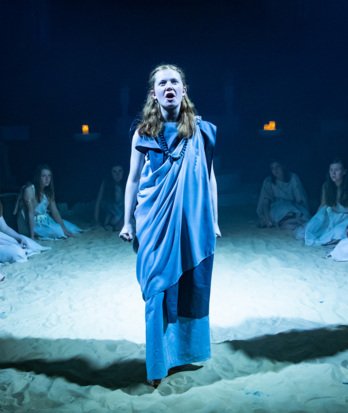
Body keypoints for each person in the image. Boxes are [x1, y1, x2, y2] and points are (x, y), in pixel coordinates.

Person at [119, 64, 220, 387]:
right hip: (153, 222)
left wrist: (213, 220)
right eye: (162, 83)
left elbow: (209, 176)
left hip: (191, 221)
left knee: (190, 284)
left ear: (184, 89)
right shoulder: (143, 132)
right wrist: (127, 222)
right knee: (156, 289)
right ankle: (157, 363)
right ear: (154, 93)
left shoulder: (201, 132)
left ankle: (182, 354)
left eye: (174, 81)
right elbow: (133, 179)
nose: (169, 86)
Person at [15, 164, 82, 240]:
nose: (47, 179)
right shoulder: (30, 190)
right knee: (58, 231)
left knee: (70, 228)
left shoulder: (48, 192)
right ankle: (38, 233)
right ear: (38, 177)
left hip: (45, 219)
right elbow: (30, 214)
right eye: (43, 176)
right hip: (33, 223)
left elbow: (55, 212)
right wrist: (32, 236)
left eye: (49, 176)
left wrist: (64, 228)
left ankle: (62, 229)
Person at [304, 159, 348, 246]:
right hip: (331, 216)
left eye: (337, 170)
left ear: (344, 172)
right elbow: (323, 204)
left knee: (339, 232)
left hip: (345, 218)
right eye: (331, 170)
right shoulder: (327, 186)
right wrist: (315, 219)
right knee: (311, 229)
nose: (333, 173)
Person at [256, 160, 310, 229]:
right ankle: (286, 221)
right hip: (277, 208)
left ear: (283, 167)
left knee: (301, 215)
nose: (275, 170)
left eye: (277, 167)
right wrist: (267, 219)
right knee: (284, 212)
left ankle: (293, 220)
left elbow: (300, 199)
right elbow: (265, 202)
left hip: (293, 206)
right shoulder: (268, 181)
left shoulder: (293, 178)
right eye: (272, 168)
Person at [94, 165, 124, 230]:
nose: (117, 174)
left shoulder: (127, 183)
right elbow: (98, 201)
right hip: (111, 211)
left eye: (120, 171)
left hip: (122, 211)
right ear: (111, 173)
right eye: (114, 172)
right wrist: (96, 220)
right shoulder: (106, 183)